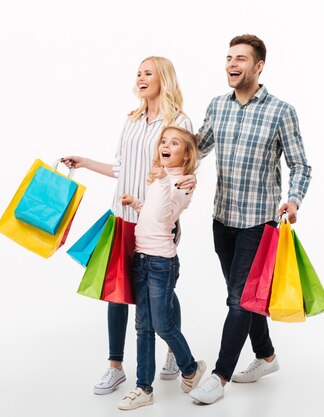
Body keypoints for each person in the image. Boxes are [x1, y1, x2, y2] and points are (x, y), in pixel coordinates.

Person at [188, 34, 312, 405]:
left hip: (260, 221)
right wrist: (168, 146)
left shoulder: (280, 111)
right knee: (244, 297)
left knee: (239, 300)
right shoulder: (217, 106)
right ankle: (267, 356)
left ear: (258, 67)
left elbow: (301, 164)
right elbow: (197, 148)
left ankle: (219, 376)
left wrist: (294, 199)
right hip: (222, 218)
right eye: (228, 57)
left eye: (240, 58)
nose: (232, 64)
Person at [62, 56, 195, 395]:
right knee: (116, 291)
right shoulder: (132, 120)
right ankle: (115, 366)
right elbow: (121, 168)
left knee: (162, 292)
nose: (140, 78)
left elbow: (186, 167)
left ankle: (170, 352)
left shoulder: (178, 121)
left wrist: (185, 191)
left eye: (147, 73)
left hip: (155, 222)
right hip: (123, 218)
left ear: (163, 79)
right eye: (138, 73)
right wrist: (86, 163)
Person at [117, 126, 206, 410]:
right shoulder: (161, 179)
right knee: (143, 327)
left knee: (163, 325)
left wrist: (164, 182)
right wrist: (137, 204)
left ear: (187, 154)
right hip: (141, 259)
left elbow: (170, 212)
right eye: (164, 141)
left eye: (175, 142)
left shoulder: (183, 183)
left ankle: (190, 368)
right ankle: (144, 388)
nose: (166, 145)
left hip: (161, 263)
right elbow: (155, 213)